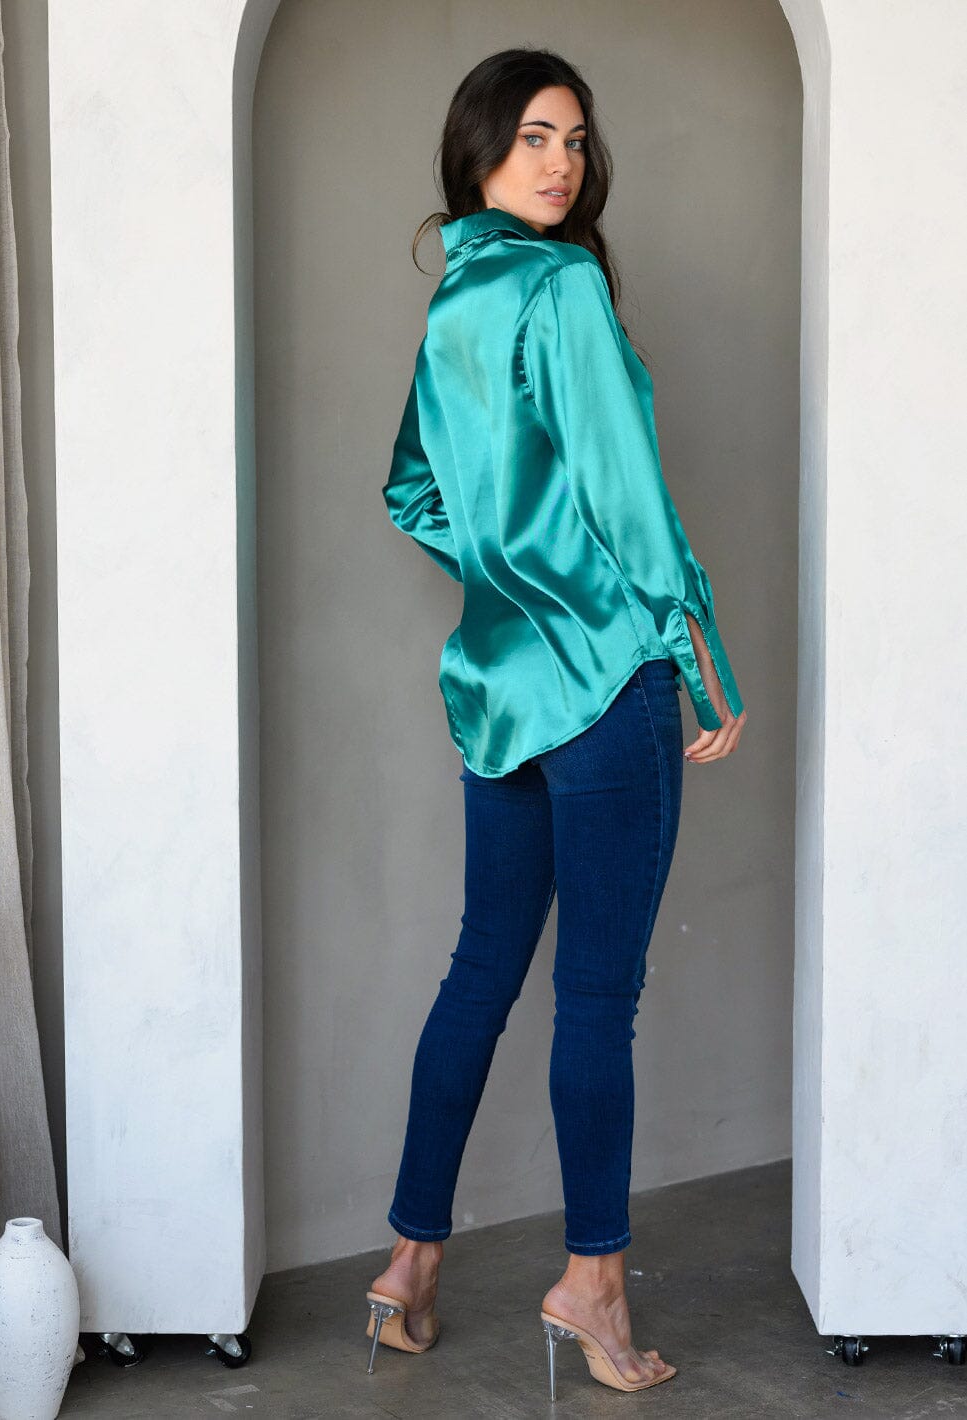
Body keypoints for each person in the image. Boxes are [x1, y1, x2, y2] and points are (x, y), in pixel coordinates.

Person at [366, 47, 747, 1398]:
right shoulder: (566, 285)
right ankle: (592, 1284)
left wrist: (507, 581)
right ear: (477, 148)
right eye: (533, 136)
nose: (560, 163)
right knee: (594, 996)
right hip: (604, 681)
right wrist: (699, 655)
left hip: (498, 691)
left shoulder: (456, 298)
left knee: (482, 968)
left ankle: (407, 1265)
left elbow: (413, 493)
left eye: (575, 140)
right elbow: (626, 493)